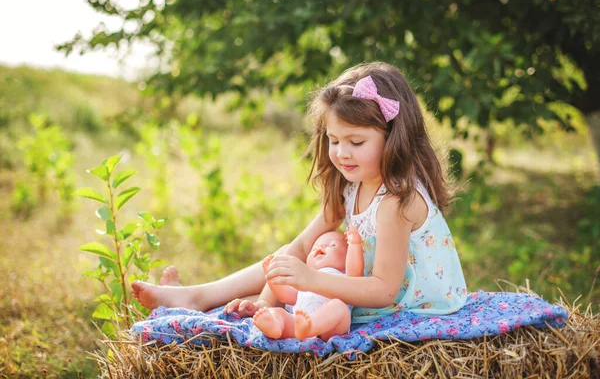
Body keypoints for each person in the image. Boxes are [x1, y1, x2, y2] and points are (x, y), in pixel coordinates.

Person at [131, 61, 467, 324]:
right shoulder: (352, 186)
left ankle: (198, 297)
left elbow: (383, 290)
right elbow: (302, 245)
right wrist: (266, 299)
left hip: (409, 305)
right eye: (334, 140)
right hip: (360, 286)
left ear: (394, 138)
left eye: (356, 142)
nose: (341, 153)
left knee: (309, 269)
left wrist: (310, 280)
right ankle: (200, 296)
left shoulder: (396, 201)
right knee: (296, 255)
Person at [253, 228, 363, 341]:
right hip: (298, 325)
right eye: (315, 247)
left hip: (331, 331)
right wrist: (272, 277)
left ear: (346, 260)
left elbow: (355, 274)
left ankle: (310, 328)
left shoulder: (343, 277)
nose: (321, 247)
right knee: (277, 312)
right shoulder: (304, 278)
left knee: (338, 307)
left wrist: (355, 244)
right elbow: (285, 296)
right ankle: (275, 326)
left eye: (333, 245)